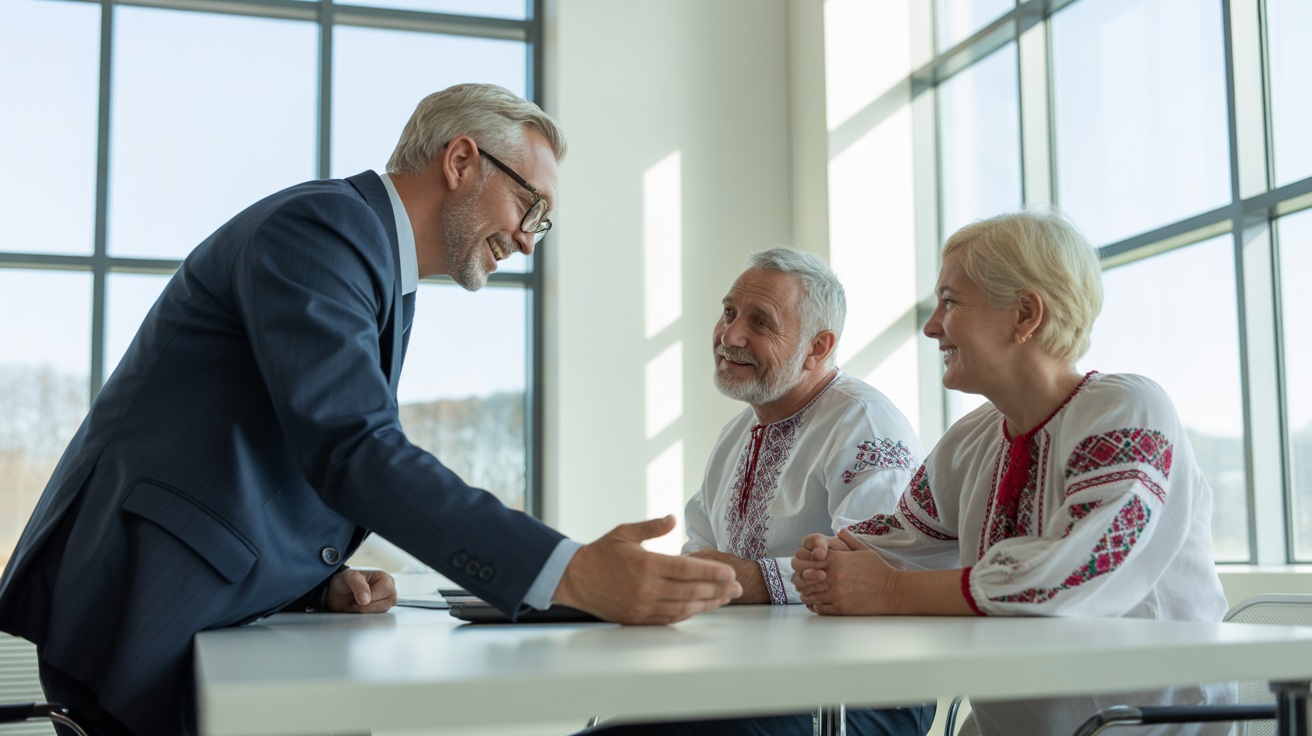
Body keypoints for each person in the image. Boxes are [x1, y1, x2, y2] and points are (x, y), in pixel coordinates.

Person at [0, 83, 740, 736]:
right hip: (145, 603)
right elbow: (352, 445)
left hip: (184, 600)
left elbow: (278, 446)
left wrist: (316, 577)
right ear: (459, 162)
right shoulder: (323, 230)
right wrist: (567, 572)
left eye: (540, 222)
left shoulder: (368, 261)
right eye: (529, 204)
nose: (526, 238)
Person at [791, 209, 1235, 736]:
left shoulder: (1128, 407)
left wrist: (885, 590)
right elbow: (900, 541)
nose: (932, 326)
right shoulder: (972, 438)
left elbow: (1066, 574)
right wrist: (832, 557)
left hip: (1138, 726)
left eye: (950, 301)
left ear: (1025, 314)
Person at [592, 249, 935, 736]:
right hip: (749, 686)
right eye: (729, 312)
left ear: (817, 347)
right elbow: (703, 551)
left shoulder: (865, 423)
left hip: (861, 699)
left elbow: (880, 572)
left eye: (760, 322)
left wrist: (752, 579)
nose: (729, 335)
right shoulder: (737, 434)